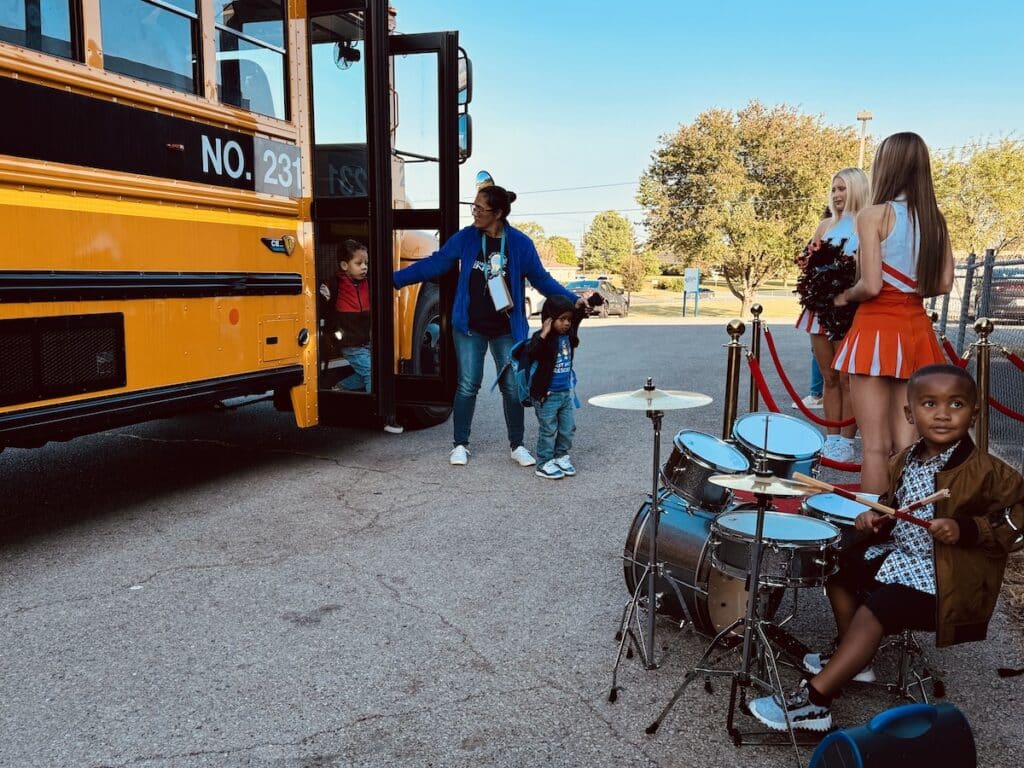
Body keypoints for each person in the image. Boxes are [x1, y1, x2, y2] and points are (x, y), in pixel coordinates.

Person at [748, 365, 1024, 732]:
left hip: (950, 579)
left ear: (974, 413)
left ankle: (815, 702)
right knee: (837, 565)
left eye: (956, 404)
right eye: (929, 404)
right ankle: (855, 657)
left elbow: (1018, 523)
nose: (942, 414)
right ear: (910, 413)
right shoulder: (905, 459)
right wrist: (877, 519)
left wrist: (967, 529)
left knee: (880, 607)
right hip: (901, 559)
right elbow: (895, 505)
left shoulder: (989, 472)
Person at [392, 184, 583, 466]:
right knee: (468, 384)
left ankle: (517, 445)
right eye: (474, 207)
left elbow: (542, 280)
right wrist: (394, 279)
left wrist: (572, 300)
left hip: (507, 329)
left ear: (498, 213)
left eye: (480, 209)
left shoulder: (520, 244)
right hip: (469, 327)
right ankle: (460, 444)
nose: (475, 213)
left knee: (512, 387)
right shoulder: (467, 238)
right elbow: (436, 263)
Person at [832, 133, 954, 493]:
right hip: (916, 329)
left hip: (875, 329)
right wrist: (911, 290)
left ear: (887, 164)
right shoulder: (935, 219)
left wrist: (843, 296)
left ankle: (873, 530)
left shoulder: (874, 215)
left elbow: (870, 285)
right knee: (910, 445)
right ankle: (910, 527)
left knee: (874, 446)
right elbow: (944, 283)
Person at [794, 169, 869, 462]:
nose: (837, 195)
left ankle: (847, 442)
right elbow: (806, 260)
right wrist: (807, 259)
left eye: (844, 189)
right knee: (829, 377)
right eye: (834, 189)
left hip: (850, 310)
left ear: (858, 190)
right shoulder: (825, 225)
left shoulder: (867, 224)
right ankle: (832, 438)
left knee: (849, 377)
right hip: (820, 309)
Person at [523, 293, 600, 479]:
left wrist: (592, 300)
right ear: (550, 319)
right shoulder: (542, 339)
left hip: (564, 392)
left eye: (568, 319)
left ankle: (561, 456)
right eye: (561, 319)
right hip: (546, 395)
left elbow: (578, 314)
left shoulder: (568, 335)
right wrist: (543, 333)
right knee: (548, 430)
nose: (566, 323)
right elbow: (530, 353)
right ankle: (544, 462)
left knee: (567, 427)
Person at [320, 240, 372, 392]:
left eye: (366, 263)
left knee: (372, 372)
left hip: (366, 342)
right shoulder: (336, 284)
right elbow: (322, 305)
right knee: (370, 373)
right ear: (344, 266)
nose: (364, 267)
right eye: (359, 263)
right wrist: (322, 295)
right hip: (349, 344)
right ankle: (373, 412)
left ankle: (339, 388)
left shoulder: (367, 284)